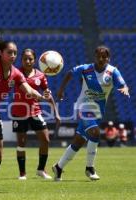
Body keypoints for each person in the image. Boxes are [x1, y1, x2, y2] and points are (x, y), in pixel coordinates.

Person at [0, 39, 51, 189]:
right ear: (1, 53)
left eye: (15, 53)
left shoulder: (16, 74)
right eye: (9, 52)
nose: (13, 55)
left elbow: (29, 90)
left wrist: (41, 96)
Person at [52, 45, 130, 181]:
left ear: (108, 58)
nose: (101, 59)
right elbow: (70, 73)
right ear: (94, 57)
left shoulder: (113, 72)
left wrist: (124, 89)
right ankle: (90, 167)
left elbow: (122, 84)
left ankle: (59, 166)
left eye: (104, 56)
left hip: (98, 111)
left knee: (79, 141)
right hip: (84, 107)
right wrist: (61, 90)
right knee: (95, 132)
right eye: (98, 56)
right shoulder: (86, 69)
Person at [12, 49, 60, 180]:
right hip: (19, 112)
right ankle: (22, 174)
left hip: (35, 111)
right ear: (21, 60)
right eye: (25, 59)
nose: (27, 61)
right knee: (21, 143)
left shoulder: (40, 75)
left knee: (45, 140)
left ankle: (41, 170)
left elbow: (47, 94)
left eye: (30, 59)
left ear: (34, 60)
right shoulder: (16, 73)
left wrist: (56, 113)